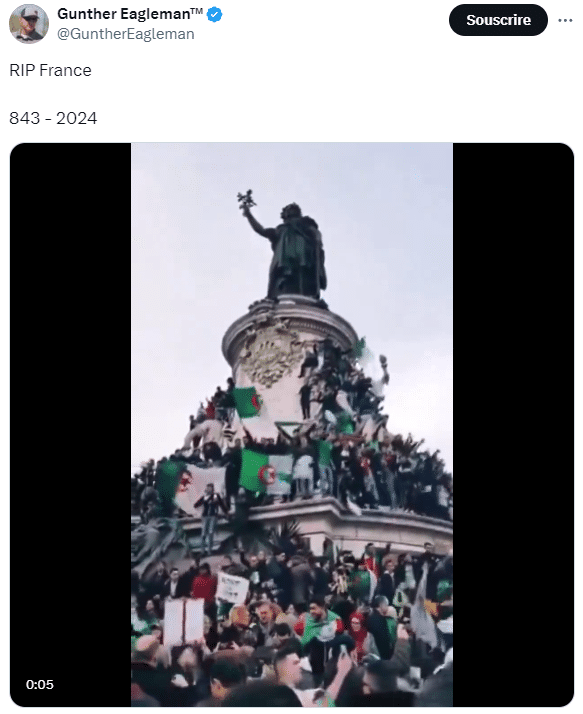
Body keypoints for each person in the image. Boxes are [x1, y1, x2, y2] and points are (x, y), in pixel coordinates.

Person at [241, 202, 327, 300]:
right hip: (284, 260)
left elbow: (316, 237)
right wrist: (249, 215)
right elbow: (261, 230)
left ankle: (306, 294)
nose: (292, 211)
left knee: (302, 276)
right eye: (289, 209)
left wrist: (316, 245)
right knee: (284, 277)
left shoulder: (306, 224)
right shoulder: (281, 229)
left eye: (294, 209)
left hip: (304, 258)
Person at [273, 641, 353, 706]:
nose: (300, 665)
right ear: (284, 668)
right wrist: (342, 672)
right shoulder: (288, 697)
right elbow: (324, 704)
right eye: (295, 663)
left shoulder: (300, 693)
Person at [294, 597, 344, 686]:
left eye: (314, 608)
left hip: (330, 665)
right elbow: (297, 630)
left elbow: (340, 633)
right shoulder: (305, 619)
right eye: (310, 609)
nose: (311, 611)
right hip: (311, 666)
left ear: (322, 607)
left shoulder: (335, 620)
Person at [195, 484, 228, 556]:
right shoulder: (204, 497)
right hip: (205, 516)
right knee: (203, 534)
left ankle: (209, 551)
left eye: (210, 488)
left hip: (213, 516)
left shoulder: (216, 496)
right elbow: (196, 504)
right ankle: (202, 551)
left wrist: (225, 513)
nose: (209, 489)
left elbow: (221, 504)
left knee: (210, 533)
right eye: (208, 488)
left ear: (212, 489)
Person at [366, 595, 397, 660]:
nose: (387, 607)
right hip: (380, 654)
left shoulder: (371, 617)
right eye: (386, 605)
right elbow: (383, 640)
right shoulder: (380, 619)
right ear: (381, 605)